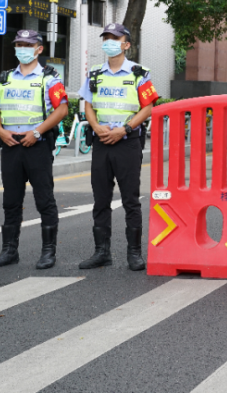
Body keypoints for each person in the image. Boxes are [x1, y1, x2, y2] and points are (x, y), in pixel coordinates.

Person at [78, 23, 158, 271]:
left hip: (127, 142)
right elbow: (88, 105)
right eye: (106, 38)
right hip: (101, 141)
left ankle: (134, 254)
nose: (109, 42)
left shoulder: (139, 73)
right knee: (100, 199)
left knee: (130, 199)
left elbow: (148, 107)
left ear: (126, 44)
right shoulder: (94, 74)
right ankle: (101, 252)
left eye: (115, 38)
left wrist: (125, 128)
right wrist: (96, 127)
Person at [0, 30, 68, 269]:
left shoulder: (49, 78)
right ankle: (9, 251)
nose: (21, 48)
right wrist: (0, 132)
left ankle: (48, 252)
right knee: (11, 200)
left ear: (38, 49)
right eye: (18, 44)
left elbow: (61, 110)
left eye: (27, 44)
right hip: (11, 145)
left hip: (37, 146)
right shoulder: (5, 78)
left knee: (44, 199)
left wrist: (37, 132)